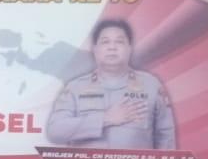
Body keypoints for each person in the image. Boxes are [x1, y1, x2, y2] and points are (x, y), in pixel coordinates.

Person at [47, 19, 176, 150]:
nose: (112, 47)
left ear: (129, 48)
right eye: (105, 42)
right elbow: (55, 132)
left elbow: (166, 135)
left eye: (119, 41)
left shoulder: (151, 85)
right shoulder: (75, 88)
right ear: (95, 49)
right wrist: (105, 119)